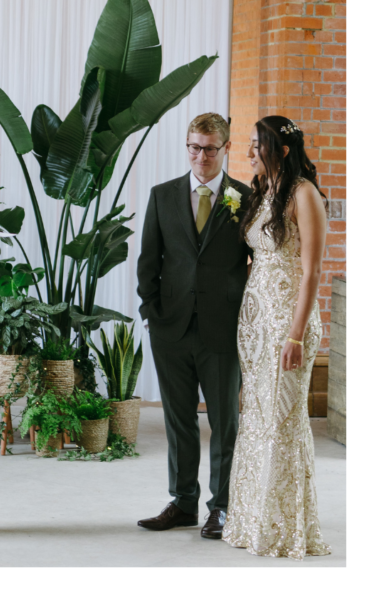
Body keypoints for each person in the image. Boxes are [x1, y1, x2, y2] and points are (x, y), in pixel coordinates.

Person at [136, 113, 252, 539]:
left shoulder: (245, 197)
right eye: (193, 147)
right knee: (179, 420)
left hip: (223, 329)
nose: (200, 156)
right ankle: (183, 502)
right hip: (171, 329)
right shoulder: (162, 195)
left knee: (224, 422)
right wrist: (151, 314)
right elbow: (149, 261)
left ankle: (221, 507)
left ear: (225, 149)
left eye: (209, 148)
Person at [222, 116, 331, 559]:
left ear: (282, 150)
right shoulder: (259, 192)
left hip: (289, 323)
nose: (249, 153)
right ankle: (252, 522)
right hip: (256, 322)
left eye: (256, 145)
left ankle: (286, 529)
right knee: (257, 419)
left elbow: (312, 272)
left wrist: (297, 334)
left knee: (283, 422)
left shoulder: (304, 194)